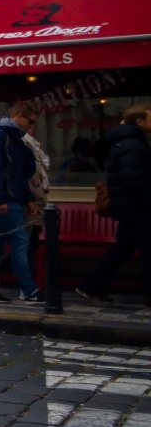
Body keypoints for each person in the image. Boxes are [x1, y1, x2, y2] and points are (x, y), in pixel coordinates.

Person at [76, 104, 151, 306]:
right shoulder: (133, 144)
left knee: (123, 248)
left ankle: (90, 286)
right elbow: (133, 178)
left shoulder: (124, 142)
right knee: (146, 250)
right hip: (136, 207)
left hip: (128, 206)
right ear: (140, 121)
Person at [0, 102, 42, 304]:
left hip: (9, 197)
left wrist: (28, 198)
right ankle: (29, 291)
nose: (32, 126)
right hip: (4, 199)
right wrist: (0, 198)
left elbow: (18, 173)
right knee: (20, 242)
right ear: (19, 116)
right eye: (30, 121)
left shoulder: (13, 137)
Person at [0, 119, 48, 285]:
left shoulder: (31, 145)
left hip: (35, 199)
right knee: (24, 244)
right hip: (27, 199)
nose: (31, 129)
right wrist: (29, 199)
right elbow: (21, 176)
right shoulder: (19, 143)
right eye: (29, 124)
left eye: (33, 125)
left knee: (30, 244)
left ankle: (26, 284)